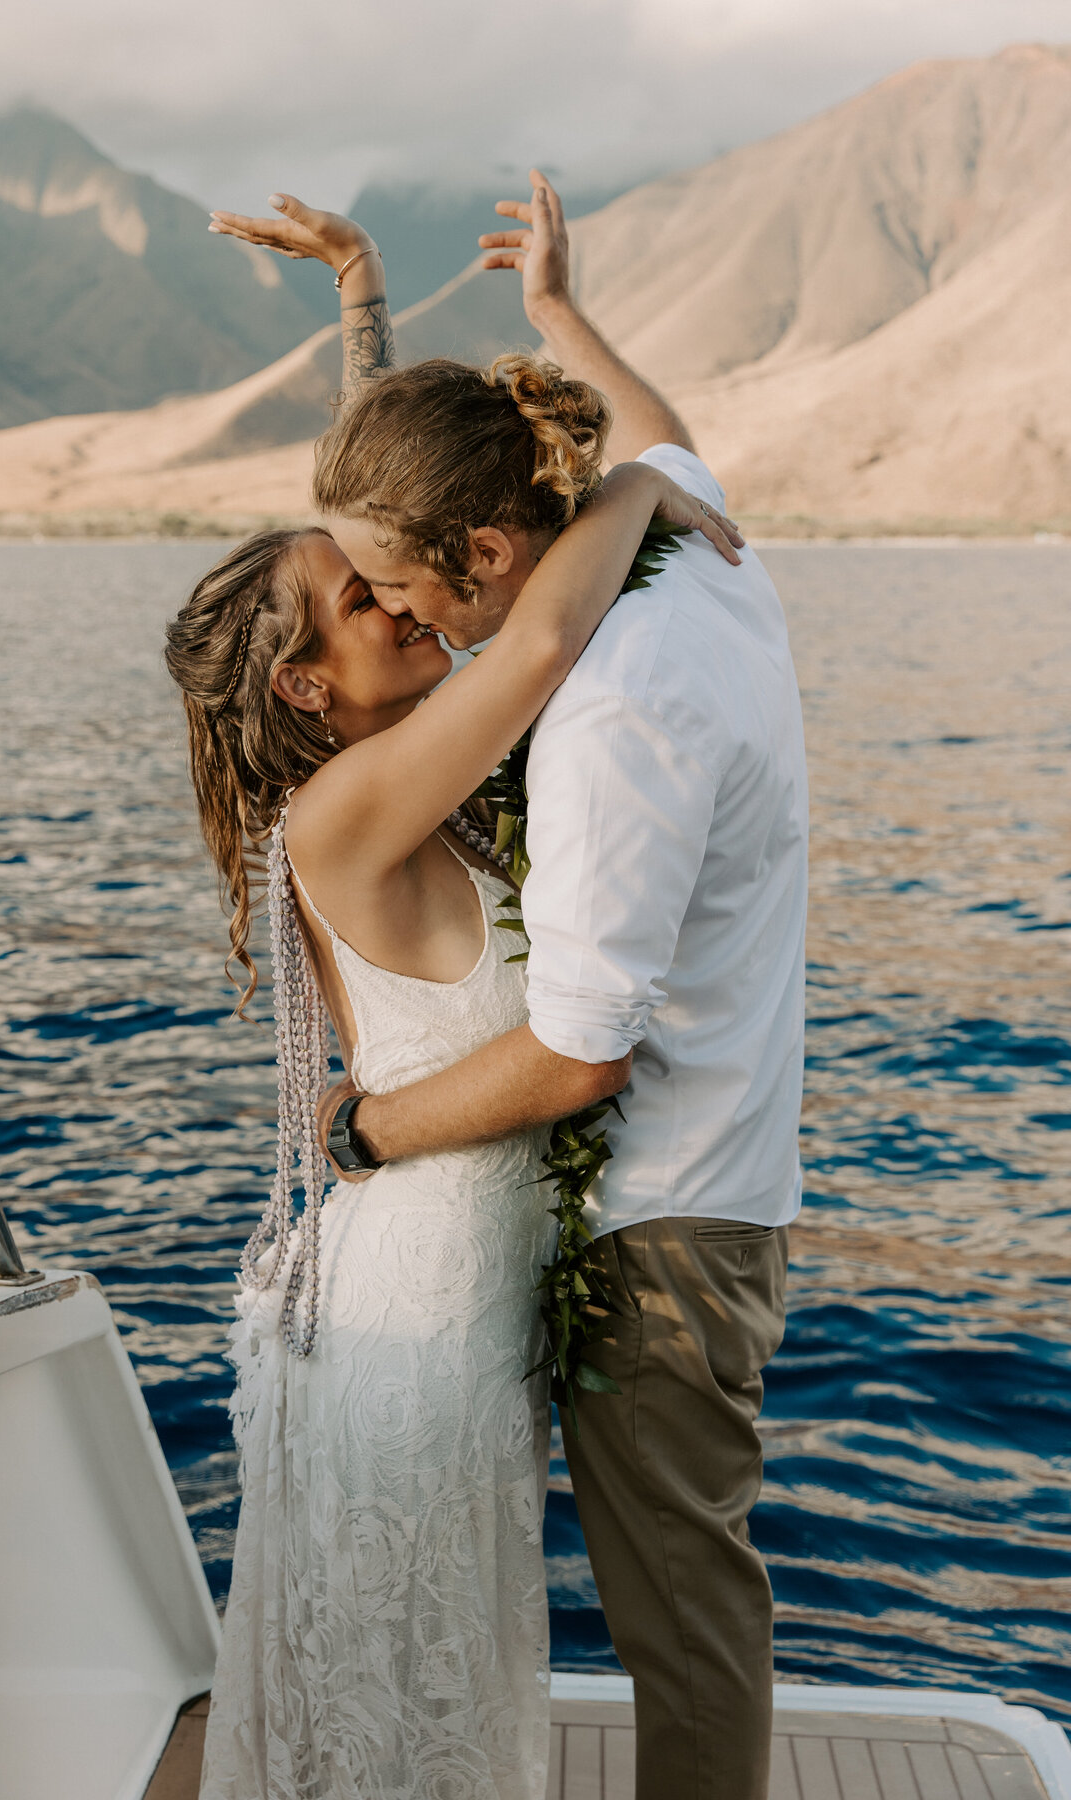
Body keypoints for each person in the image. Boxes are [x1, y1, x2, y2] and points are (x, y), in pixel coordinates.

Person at [170, 194, 742, 1800]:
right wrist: (646, 477)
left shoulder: (422, 788)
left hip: (458, 1284)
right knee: (395, 1681)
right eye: (363, 606)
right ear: (307, 689)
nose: (399, 598)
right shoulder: (344, 816)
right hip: (412, 1303)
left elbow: (403, 510)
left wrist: (364, 296)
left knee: (418, 1663)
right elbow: (542, 620)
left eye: (390, 580)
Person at [311, 174, 809, 1800]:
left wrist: (368, 1136)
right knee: (686, 1595)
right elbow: (664, 442)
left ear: (496, 545)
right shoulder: (702, 557)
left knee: (683, 1622)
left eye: (412, 583)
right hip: (721, 1176)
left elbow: (583, 1051)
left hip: (657, 1222)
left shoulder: (602, 713)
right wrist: (557, 324)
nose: (406, 616)